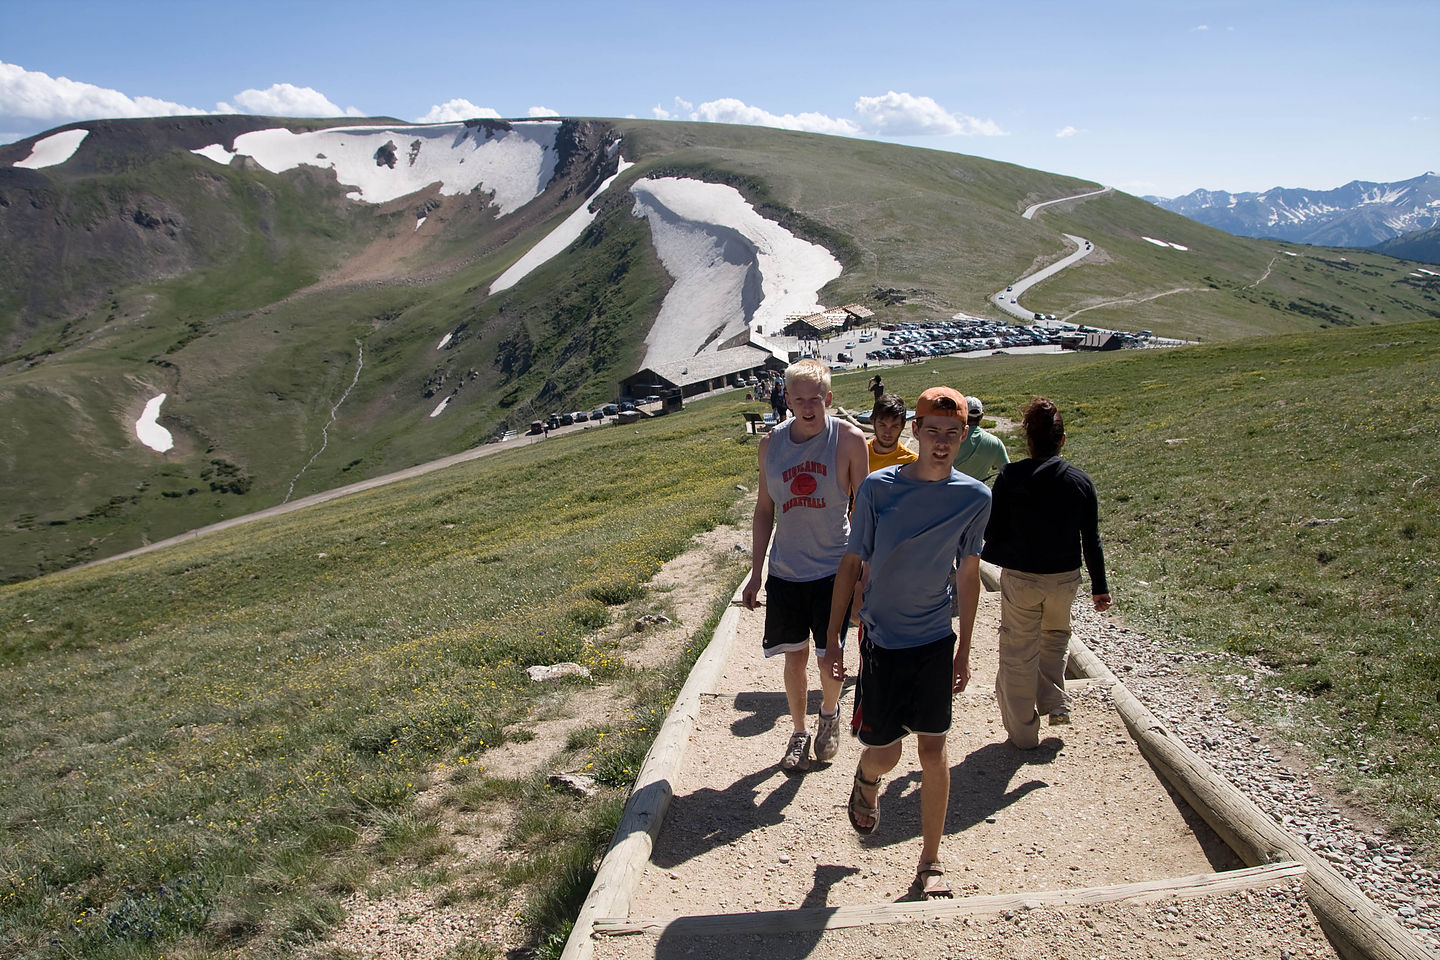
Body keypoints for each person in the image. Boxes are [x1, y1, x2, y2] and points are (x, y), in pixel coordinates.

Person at [824, 386, 991, 900]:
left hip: (934, 640)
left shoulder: (975, 498)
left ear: (964, 436)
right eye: (932, 431)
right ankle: (867, 777)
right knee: (886, 753)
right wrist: (833, 638)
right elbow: (851, 562)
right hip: (881, 639)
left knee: (934, 751)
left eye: (951, 433)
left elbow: (969, 575)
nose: (941, 442)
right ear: (915, 430)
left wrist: (964, 649)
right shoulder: (879, 488)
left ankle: (930, 861)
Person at [743, 358, 869, 772]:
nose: (808, 407)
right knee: (793, 657)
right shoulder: (771, 445)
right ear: (787, 400)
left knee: (829, 654)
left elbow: (867, 510)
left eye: (816, 399)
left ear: (828, 398)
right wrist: (756, 572)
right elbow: (764, 509)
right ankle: (798, 732)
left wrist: (866, 572)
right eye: (799, 400)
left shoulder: (849, 440)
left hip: (834, 568)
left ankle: (828, 713)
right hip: (786, 570)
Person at [980, 396, 1113, 750]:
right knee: (1055, 637)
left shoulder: (1010, 477)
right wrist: (1100, 587)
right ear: (1062, 440)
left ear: (1028, 440)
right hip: (1064, 579)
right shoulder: (1080, 482)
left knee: (1019, 651)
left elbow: (992, 528)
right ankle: (1055, 702)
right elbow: (1091, 539)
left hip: (1022, 578)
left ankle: (1024, 733)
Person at [951, 396, 1009, 484]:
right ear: (981, 416)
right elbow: (1008, 473)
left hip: (948, 489)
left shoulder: (949, 439)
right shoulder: (995, 443)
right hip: (977, 491)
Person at [866, 393, 918, 473]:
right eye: (882, 425)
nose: (887, 433)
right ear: (873, 422)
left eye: (894, 426)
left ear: (902, 426)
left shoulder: (912, 463)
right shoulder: (858, 453)